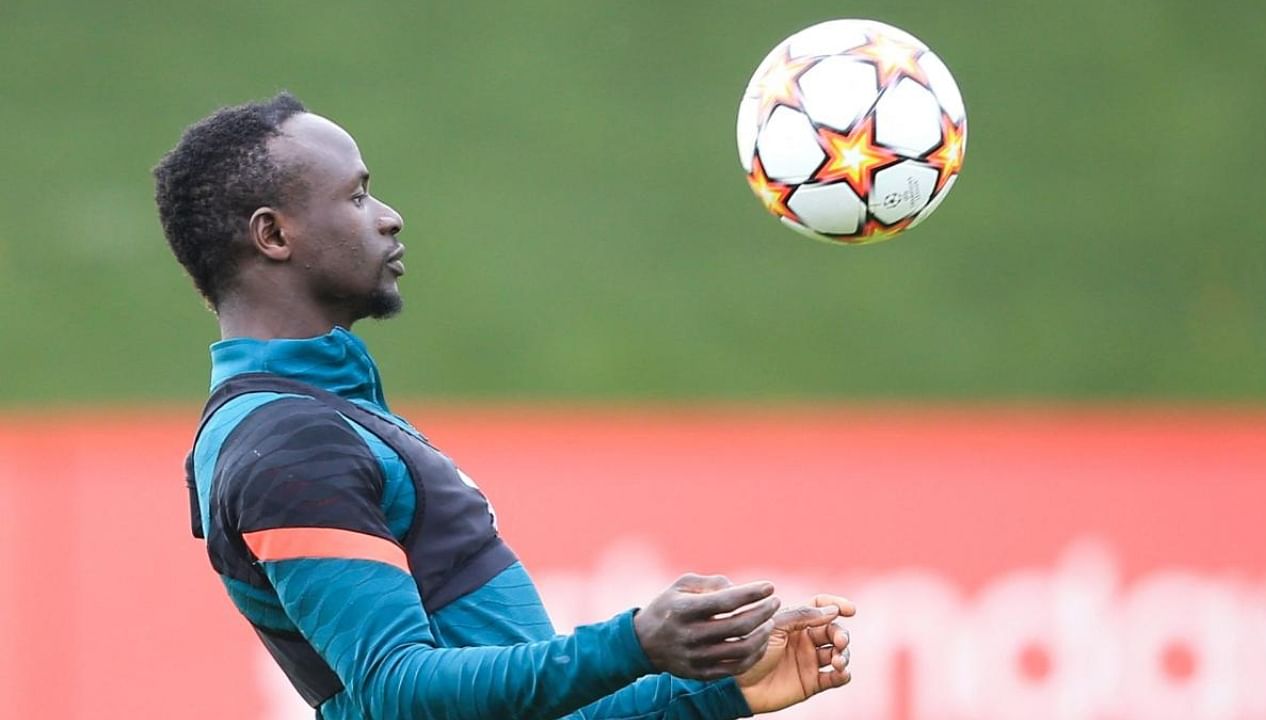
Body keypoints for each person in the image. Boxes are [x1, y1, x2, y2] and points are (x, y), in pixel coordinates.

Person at [154, 92, 855, 720]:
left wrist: (715, 693)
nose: (391, 218)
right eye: (358, 196)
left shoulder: (317, 416)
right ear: (274, 235)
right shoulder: (290, 445)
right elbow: (397, 692)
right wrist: (633, 642)